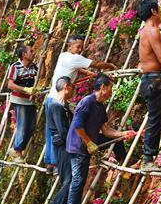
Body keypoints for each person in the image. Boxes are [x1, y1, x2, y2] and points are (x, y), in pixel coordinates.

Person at [55, 73, 136, 204]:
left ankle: (124, 166)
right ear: (103, 88)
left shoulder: (100, 107)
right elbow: (78, 126)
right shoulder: (87, 102)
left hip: (91, 141)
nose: (111, 92)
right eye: (110, 88)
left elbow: (106, 130)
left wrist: (123, 134)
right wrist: (89, 143)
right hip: (78, 146)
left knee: (117, 141)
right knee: (78, 178)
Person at [44, 34, 116, 174]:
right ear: (70, 46)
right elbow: (96, 64)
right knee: (60, 132)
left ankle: (50, 164)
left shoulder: (63, 56)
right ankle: (58, 164)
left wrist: (91, 74)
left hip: (50, 98)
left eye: (82, 47)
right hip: (57, 100)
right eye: (78, 46)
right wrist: (109, 65)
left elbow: (78, 68)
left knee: (51, 132)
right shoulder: (73, 58)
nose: (80, 49)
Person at [138, 0, 161, 171]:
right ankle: (147, 159)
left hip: (150, 79)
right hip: (156, 79)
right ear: (153, 11)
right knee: (155, 120)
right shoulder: (152, 31)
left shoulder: (143, 31)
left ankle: (148, 158)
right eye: (159, 9)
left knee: (155, 119)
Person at [43, 76, 74, 204]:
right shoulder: (56, 106)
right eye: (72, 87)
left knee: (68, 181)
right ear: (66, 87)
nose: (73, 91)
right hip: (64, 148)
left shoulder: (64, 106)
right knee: (68, 181)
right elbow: (63, 132)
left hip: (66, 146)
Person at [7, 44, 38, 163]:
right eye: (31, 51)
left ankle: (17, 149)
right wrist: (25, 89)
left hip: (30, 101)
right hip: (19, 100)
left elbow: (40, 75)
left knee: (31, 126)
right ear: (24, 54)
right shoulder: (16, 67)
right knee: (22, 125)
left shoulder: (34, 66)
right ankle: (18, 151)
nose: (33, 53)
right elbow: (10, 85)